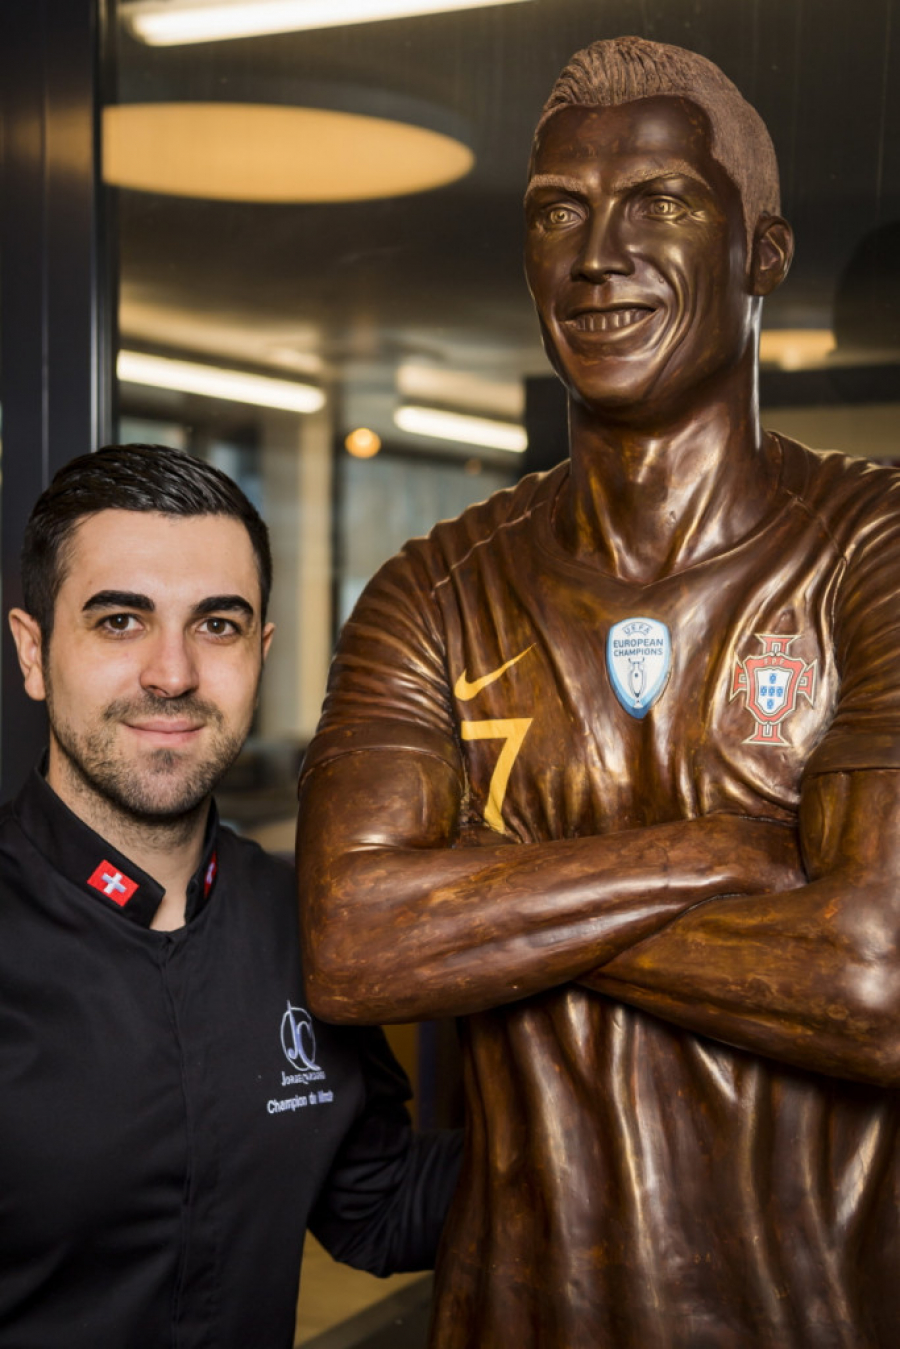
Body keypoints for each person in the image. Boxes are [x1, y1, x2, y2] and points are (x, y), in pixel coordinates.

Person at [297, 35, 900, 1349]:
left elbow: (877, 974)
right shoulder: (431, 590)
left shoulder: (876, 549)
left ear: (765, 253)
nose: (597, 253)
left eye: (660, 203)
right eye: (557, 212)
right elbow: (350, 940)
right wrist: (722, 854)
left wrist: (478, 901)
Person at [0, 443, 460, 1349]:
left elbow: (376, 1206)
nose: (172, 673)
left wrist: (621, 1126)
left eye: (217, 625)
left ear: (262, 653)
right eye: (120, 620)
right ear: (33, 652)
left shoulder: (304, 919)